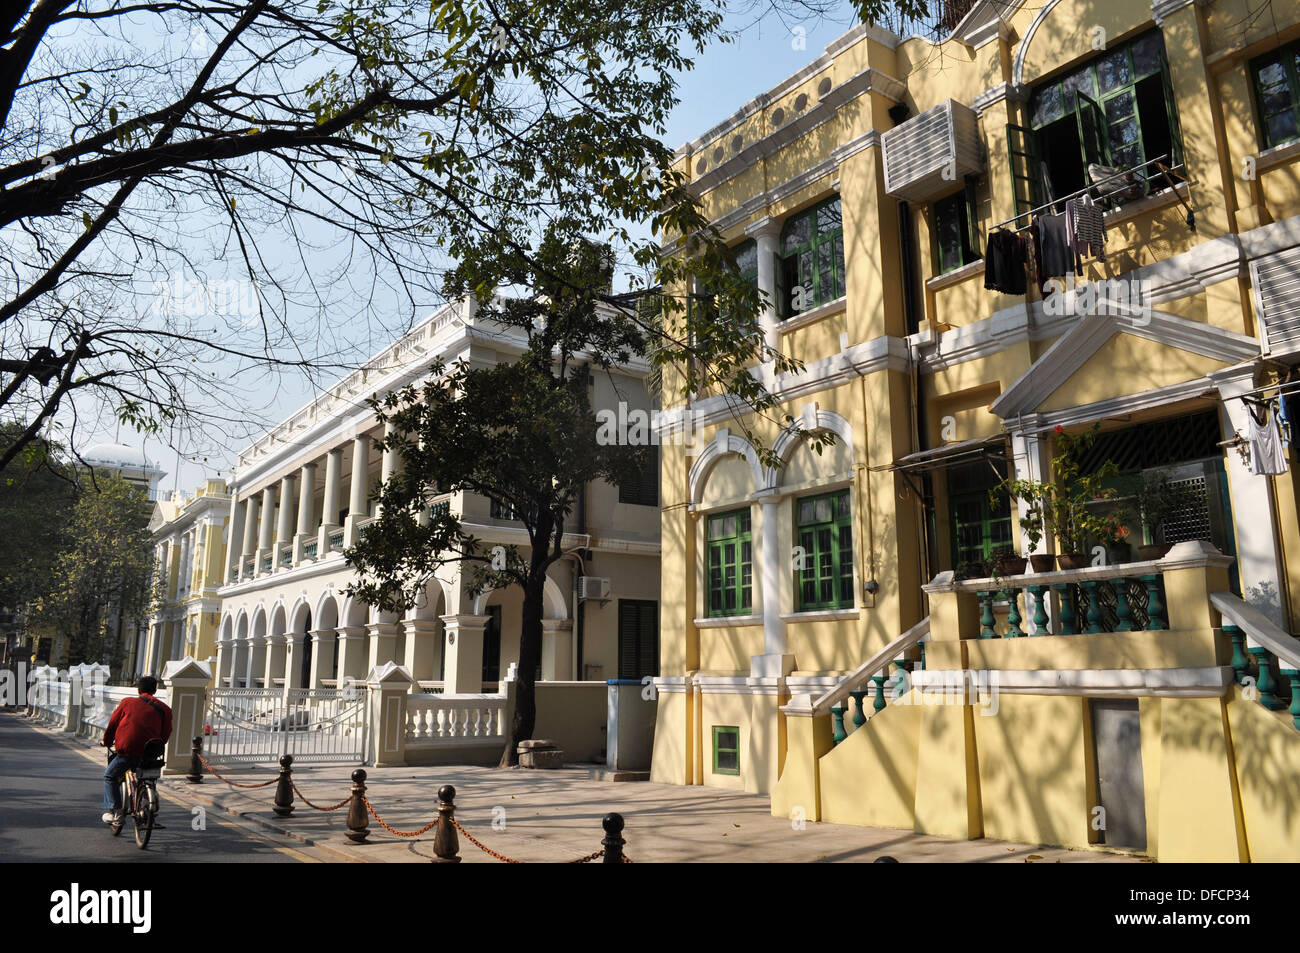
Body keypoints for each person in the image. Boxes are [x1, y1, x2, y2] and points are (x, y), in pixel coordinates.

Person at [100, 675, 172, 822]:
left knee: (110, 776)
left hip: (128, 751)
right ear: (155, 690)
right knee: (148, 776)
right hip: (151, 753)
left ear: (138, 690)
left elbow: (113, 724)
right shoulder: (165, 709)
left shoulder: (127, 703)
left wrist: (106, 741)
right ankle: (150, 796)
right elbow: (166, 734)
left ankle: (116, 812)